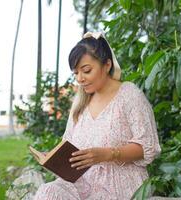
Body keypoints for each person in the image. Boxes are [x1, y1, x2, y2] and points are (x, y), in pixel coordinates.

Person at [33, 32, 161, 200]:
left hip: (119, 184)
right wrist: (52, 157)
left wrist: (108, 154)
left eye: (86, 70)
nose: (80, 78)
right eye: (76, 73)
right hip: (81, 183)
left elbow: (147, 147)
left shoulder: (130, 95)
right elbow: (69, 146)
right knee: (48, 192)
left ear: (107, 65)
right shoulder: (81, 103)